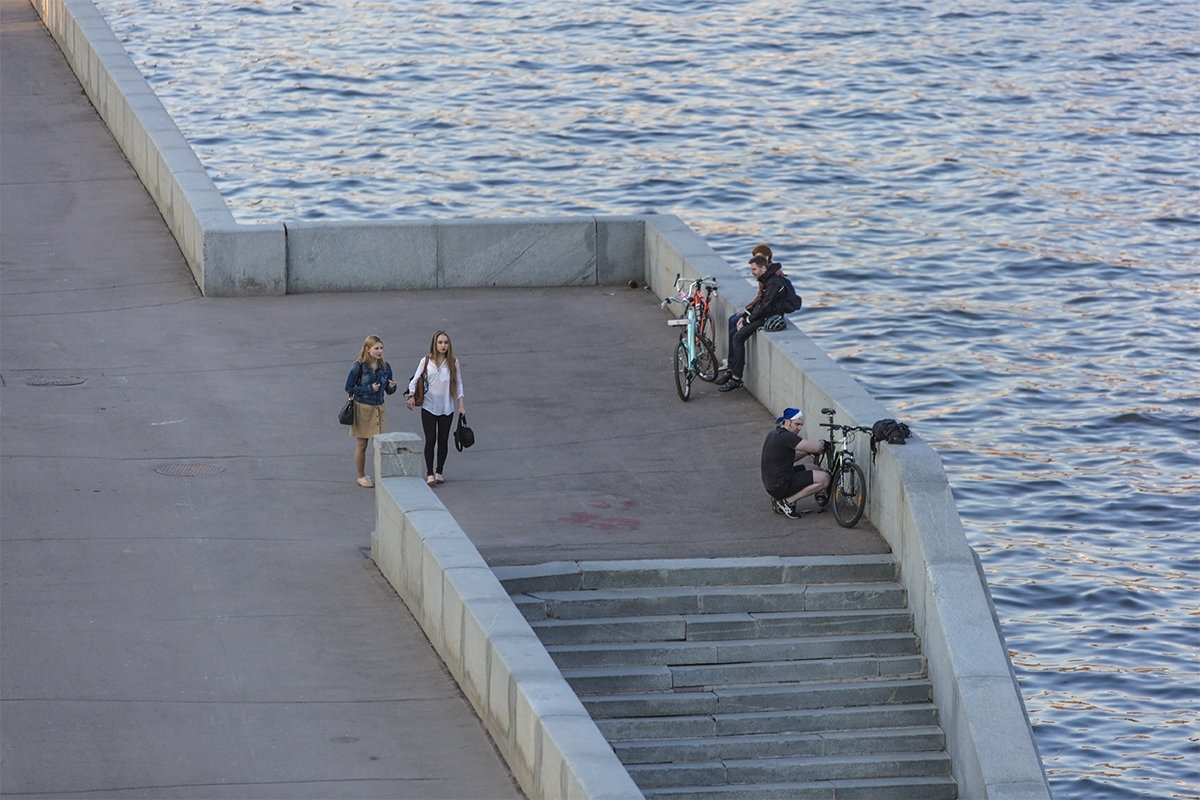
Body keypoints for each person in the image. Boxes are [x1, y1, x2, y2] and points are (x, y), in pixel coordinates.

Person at [718, 250, 791, 392]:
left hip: (770, 317)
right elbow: (761, 303)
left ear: (763, 268)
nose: (752, 272)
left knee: (738, 337)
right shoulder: (767, 279)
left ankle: (736, 378)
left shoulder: (773, 283)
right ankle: (731, 370)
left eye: (754, 269)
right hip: (764, 313)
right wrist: (746, 314)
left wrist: (746, 320)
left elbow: (765, 307)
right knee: (734, 330)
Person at [405, 330, 466, 486]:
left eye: (445, 342)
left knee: (443, 440)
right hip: (429, 406)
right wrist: (411, 396)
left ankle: (439, 471)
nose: (443, 345)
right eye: (440, 342)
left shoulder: (453, 362)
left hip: (447, 407)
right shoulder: (426, 361)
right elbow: (415, 379)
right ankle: (430, 473)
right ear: (434, 344)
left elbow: (458, 384)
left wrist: (461, 406)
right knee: (431, 439)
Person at [346, 334, 397, 488]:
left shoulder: (386, 367)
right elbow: (349, 388)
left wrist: (392, 387)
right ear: (368, 349)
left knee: (380, 444)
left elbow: (388, 390)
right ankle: (361, 476)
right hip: (363, 408)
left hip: (379, 408)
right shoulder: (359, 367)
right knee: (362, 444)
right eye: (376, 348)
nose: (379, 351)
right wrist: (368, 388)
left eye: (381, 348)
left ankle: (380, 475)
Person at [761, 407, 829, 519]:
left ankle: (779, 498)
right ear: (787, 422)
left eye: (801, 425)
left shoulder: (775, 433)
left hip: (773, 482)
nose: (799, 428)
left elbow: (789, 458)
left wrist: (807, 452)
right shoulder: (787, 437)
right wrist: (822, 443)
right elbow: (816, 448)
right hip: (780, 484)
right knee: (825, 478)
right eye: (797, 424)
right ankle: (788, 501)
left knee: (814, 467)